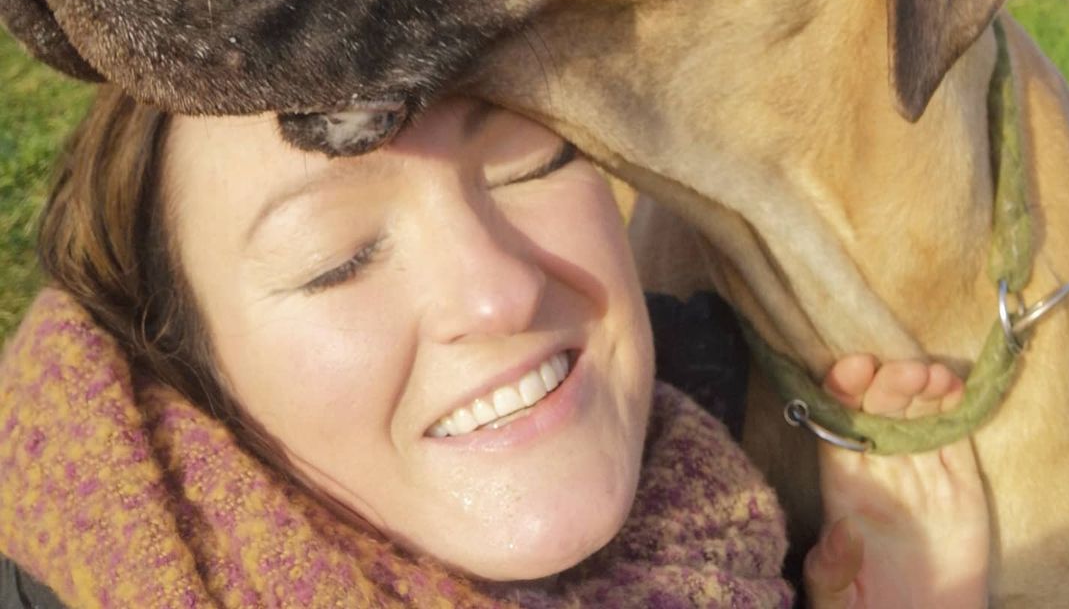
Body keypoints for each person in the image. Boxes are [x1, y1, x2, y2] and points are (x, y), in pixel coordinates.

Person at [0, 86, 988, 607]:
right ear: (187, 371)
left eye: (527, 162)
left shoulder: (736, 450)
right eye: (336, 260)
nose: (500, 290)